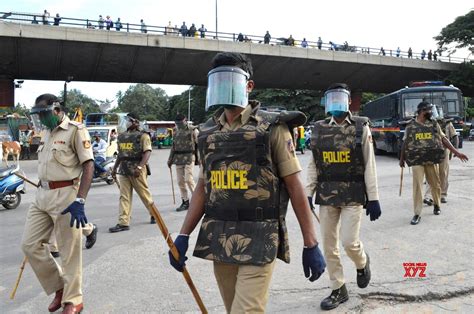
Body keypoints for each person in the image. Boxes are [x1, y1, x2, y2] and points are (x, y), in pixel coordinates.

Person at [168, 52, 326, 313]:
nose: (224, 88)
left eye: (230, 80)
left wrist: (311, 243)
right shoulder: (207, 133)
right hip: (220, 238)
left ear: (249, 86)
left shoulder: (272, 128)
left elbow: (295, 187)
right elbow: (203, 188)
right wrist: (183, 235)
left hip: (260, 237)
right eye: (218, 82)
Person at [306, 83, 381, 311]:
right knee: (329, 246)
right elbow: (313, 164)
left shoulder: (360, 127)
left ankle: (362, 262)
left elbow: (369, 163)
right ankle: (338, 288)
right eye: (332, 98)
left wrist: (374, 196)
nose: (337, 103)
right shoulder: (319, 129)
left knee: (349, 242)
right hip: (327, 195)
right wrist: (308, 192)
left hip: (353, 194)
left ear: (349, 102)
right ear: (327, 102)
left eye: (341, 98)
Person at [21, 94, 94, 314]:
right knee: (30, 245)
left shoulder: (75, 130)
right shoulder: (46, 131)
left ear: (56, 110)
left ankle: (74, 300)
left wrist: (80, 200)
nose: (40, 119)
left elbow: (88, 165)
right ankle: (59, 287)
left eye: (43, 114)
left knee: (68, 252)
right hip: (42, 195)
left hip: (66, 195)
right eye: (38, 115)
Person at [399, 101, 468, 225]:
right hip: (416, 159)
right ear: (421, 111)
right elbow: (405, 142)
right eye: (428, 110)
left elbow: (443, 139)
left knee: (435, 183)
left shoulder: (434, 124)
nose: (431, 112)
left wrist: (456, 152)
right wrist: (402, 158)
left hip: (431, 159)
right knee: (417, 186)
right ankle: (417, 213)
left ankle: (437, 204)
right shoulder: (410, 126)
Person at [109, 113, 155, 232]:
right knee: (124, 196)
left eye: (128, 120)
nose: (126, 122)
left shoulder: (143, 136)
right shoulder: (122, 136)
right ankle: (123, 222)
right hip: (124, 170)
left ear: (135, 122)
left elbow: (147, 152)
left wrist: (139, 168)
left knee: (144, 195)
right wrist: (114, 169)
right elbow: (120, 154)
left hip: (137, 170)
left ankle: (154, 214)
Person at [424, 107, 458, 205]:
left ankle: (443, 195)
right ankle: (429, 196)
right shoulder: (428, 123)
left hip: (444, 151)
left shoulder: (448, 124)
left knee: (443, 173)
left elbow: (454, 136)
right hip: (431, 151)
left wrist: (455, 150)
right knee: (430, 174)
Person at [167, 114, 198, 212]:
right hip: (178, 158)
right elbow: (173, 146)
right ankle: (185, 201)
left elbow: (200, 145)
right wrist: (170, 159)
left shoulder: (193, 130)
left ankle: (197, 200)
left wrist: (201, 158)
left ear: (185, 120)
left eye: (180, 122)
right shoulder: (175, 131)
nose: (178, 124)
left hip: (189, 156)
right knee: (180, 181)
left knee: (189, 179)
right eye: (177, 123)